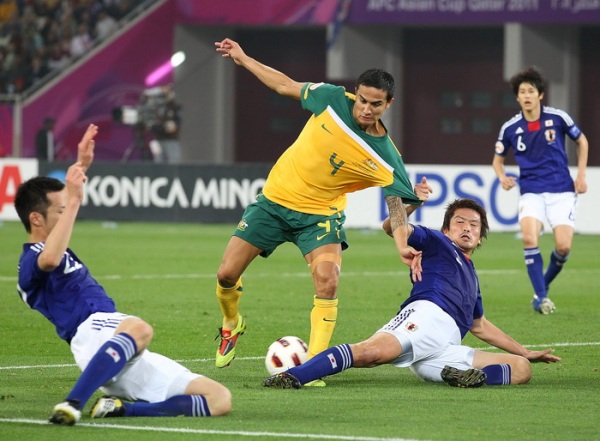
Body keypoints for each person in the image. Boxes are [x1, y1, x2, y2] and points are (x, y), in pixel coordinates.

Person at [212, 37, 432, 378]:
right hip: (273, 203)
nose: (366, 109)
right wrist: (244, 58)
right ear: (355, 93)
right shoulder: (330, 98)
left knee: (327, 282)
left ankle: (312, 367)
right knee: (226, 274)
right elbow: (284, 85)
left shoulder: (387, 158)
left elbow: (395, 211)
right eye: (362, 100)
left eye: (376, 104)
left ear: (389, 103)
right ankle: (231, 322)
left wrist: (404, 239)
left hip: (319, 217)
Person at [14, 124, 232, 426]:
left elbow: (58, 237)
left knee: (219, 399)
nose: (68, 214)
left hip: (118, 351)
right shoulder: (30, 260)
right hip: (92, 333)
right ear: (36, 219)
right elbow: (49, 259)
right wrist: (74, 201)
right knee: (139, 328)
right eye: (60, 211)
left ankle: (120, 409)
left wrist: (81, 166)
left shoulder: (54, 246)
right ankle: (72, 403)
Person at [263, 199, 561, 389]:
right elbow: (391, 226)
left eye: (474, 225)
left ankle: (464, 378)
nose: (467, 228)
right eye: (459, 222)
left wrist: (524, 351)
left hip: (445, 349)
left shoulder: (472, 277)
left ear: (481, 237)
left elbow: (479, 325)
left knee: (520, 369)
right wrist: (411, 203)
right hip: (426, 318)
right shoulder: (437, 242)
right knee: (370, 354)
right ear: (446, 230)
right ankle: (293, 376)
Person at [492, 66, 589, 315]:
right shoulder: (510, 127)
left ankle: (540, 289)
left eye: (531, 91)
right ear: (517, 97)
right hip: (531, 190)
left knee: (564, 247)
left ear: (540, 94)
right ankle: (543, 298)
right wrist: (502, 178)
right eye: (522, 92)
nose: (527, 95)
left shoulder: (558, 117)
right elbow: (497, 160)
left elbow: (582, 141)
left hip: (561, 190)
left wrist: (581, 175)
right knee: (529, 238)